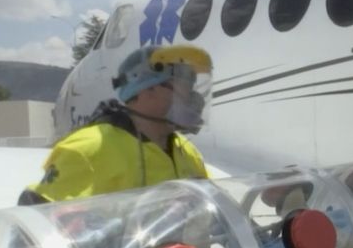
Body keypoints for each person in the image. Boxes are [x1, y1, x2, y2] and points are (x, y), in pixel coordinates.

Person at [19, 44, 213, 205]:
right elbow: (37, 225)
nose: (193, 98)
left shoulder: (187, 152)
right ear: (148, 89)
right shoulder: (88, 150)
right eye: (184, 87)